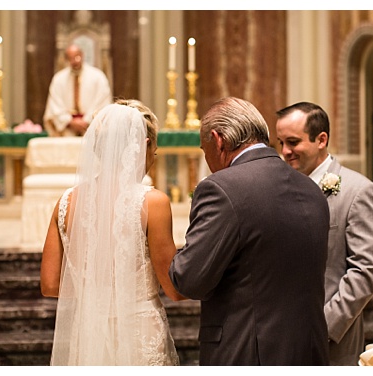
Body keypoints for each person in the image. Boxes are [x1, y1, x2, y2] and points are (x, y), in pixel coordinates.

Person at [169, 97, 330, 366]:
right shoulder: (311, 189)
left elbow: (190, 280)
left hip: (247, 353)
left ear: (218, 139)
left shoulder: (220, 188)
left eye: (203, 149)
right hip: (309, 352)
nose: (207, 159)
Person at [41, 100, 184, 365]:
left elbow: (50, 285)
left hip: (89, 330)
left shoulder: (66, 202)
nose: (155, 156)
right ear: (142, 145)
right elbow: (173, 287)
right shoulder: (153, 202)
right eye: (154, 148)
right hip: (140, 330)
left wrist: (98, 293)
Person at [275, 102, 373, 365]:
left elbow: (367, 269)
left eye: (292, 142)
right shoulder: (278, 187)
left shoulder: (359, 191)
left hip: (330, 341)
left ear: (321, 139)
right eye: (280, 143)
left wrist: (321, 328)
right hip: (279, 336)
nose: (285, 152)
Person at [43, 44, 112, 137]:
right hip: (67, 131)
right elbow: (55, 105)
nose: (75, 61)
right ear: (66, 59)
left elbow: (102, 102)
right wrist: (69, 121)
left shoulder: (98, 77)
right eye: (70, 58)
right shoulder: (58, 79)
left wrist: (87, 120)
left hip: (92, 130)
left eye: (77, 56)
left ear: (82, 55)